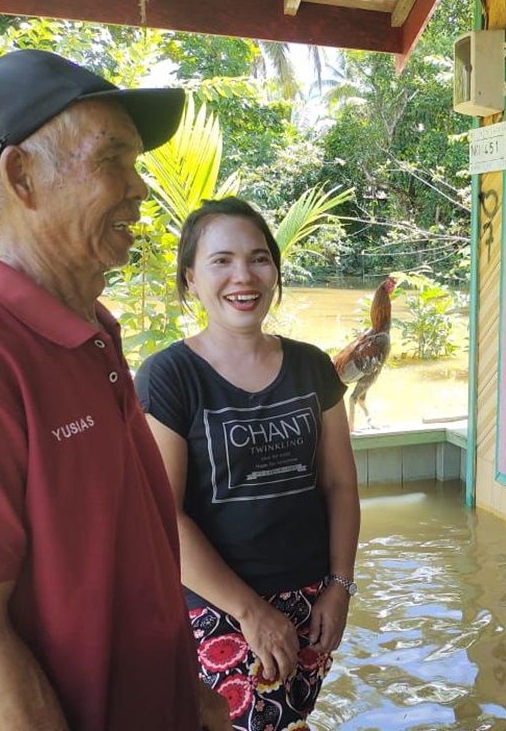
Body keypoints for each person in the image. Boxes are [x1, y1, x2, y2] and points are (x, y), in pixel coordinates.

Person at [0, 49, 229, 729]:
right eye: (113, 160)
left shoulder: (90, 333)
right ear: (22, 175)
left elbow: (129, 557)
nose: (141, 189)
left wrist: (193, 695)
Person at [136, 197, 361, 730]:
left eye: (259, 258)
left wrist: (340, 585)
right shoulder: (169, 377)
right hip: (213, 605)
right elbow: (166, 517)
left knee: (293, 718)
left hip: (311, 597)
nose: (244, 275)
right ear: (191, 278)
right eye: (222, 260)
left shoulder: (311, 367)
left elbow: (339, 485)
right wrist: (252, 613)